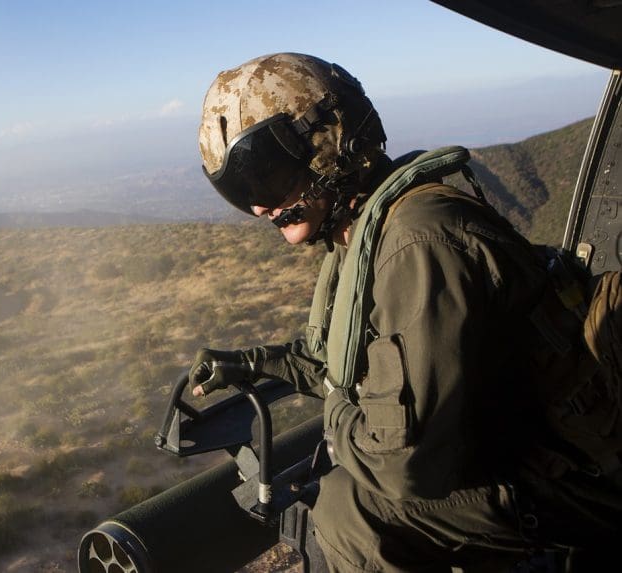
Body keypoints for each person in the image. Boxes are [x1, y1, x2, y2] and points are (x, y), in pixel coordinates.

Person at [188, 52, 622, 572]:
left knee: (351, 509)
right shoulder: (365, 230)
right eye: (241, 191)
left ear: (330, 147)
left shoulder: (419, 242)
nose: (259, 207)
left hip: (576, 481)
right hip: (524, 447)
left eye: (264, 178)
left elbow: (405, 468)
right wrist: (257, 363)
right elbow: (347, 362)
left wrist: (337, 415)